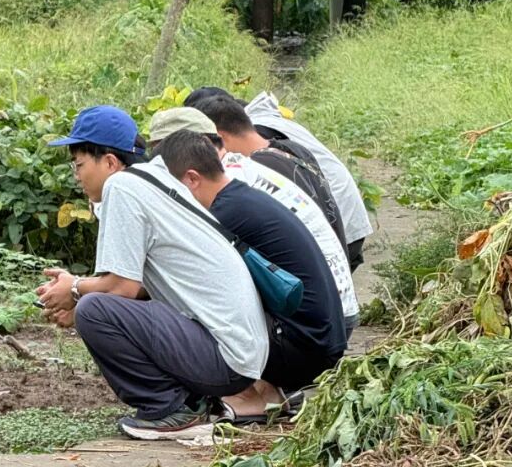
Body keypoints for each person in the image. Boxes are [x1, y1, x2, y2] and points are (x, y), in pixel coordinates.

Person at [36, 105, 291, 440]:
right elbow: (137, 289)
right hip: (243, 355)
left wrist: (74, 288)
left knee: (94, 310)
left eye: (79, 164)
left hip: (228, 358)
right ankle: (191, 403)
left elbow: (122, 288)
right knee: (95, 305)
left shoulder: (122, 188)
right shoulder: (155, 179)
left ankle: (172, 410)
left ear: (110, 162)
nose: (76, 175)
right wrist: (80, 291)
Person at [158, 130, 348, 401]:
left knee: (186, 299)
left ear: (192, 178)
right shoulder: (240, 197)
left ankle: (244, 395)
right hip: (321, 342)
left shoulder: (222, 216)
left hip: (303, 354)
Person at [147, 106, 359, 331]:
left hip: (313, 321)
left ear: (201, 145)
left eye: (166, 154)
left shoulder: (221, 189)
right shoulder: (243, 167)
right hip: (335, 308)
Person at [187, 86, 372, 268]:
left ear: (218, 137)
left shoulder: (259, 166)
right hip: (339, 228)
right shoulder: (280, 144)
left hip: (337, 230)